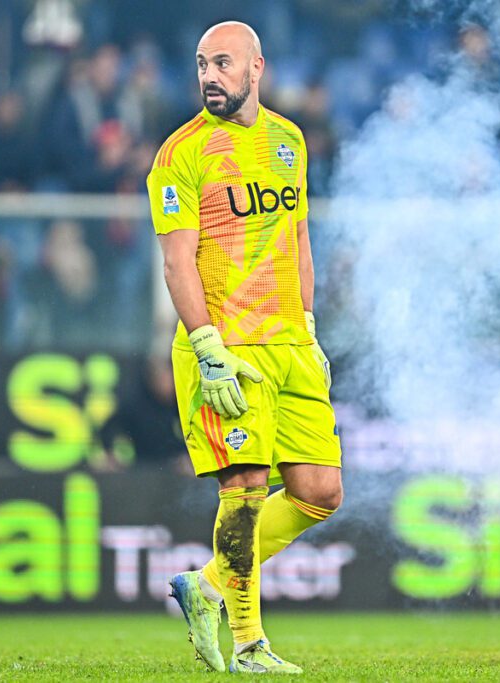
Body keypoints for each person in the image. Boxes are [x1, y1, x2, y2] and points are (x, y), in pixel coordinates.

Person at [147, 21, 341, 675]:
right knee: (247, 488)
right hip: (227, 345)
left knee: (319, 491)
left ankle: (203, 588)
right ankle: (250, 645)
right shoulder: (180, 154)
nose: (209, 75)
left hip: (288, 339)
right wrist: (206, 347)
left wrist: (309, 329)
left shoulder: (289, 140)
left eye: (222, 62)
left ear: (257, 67)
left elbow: (300, 240)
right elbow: (177, 263)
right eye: (201, 63)